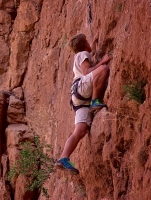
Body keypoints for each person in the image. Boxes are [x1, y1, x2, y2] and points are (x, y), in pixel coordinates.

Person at [54, 32, 112, 175]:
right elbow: (87, 72)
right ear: (84, 45)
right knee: (103, 69)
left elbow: (88, 52)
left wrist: (94, 41)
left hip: (79, 99)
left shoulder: (81, 55)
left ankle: (63, 158)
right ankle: (95, 101)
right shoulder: (82, 55)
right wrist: (102, 62)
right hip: (82, 90)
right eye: (87, 42)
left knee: (80, 131)